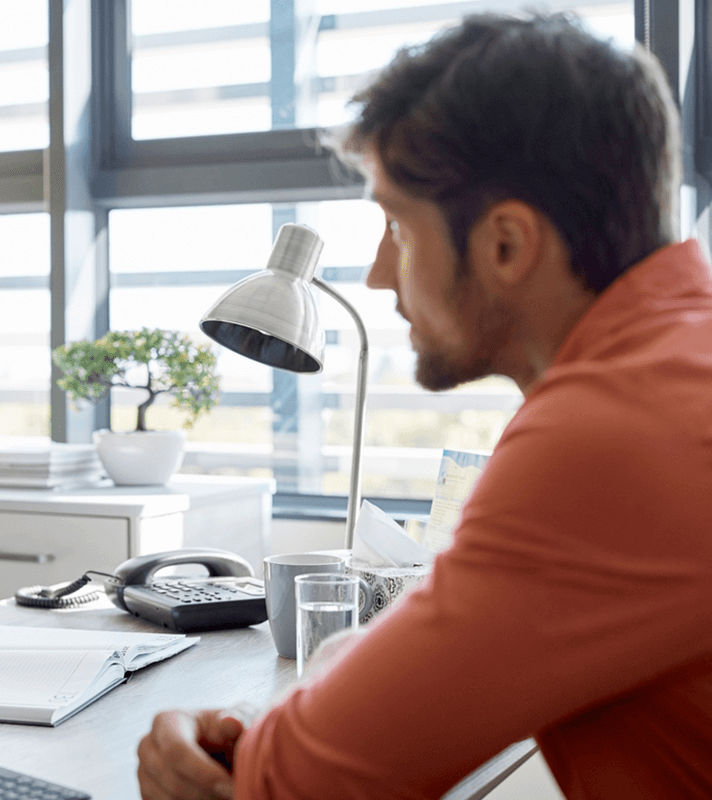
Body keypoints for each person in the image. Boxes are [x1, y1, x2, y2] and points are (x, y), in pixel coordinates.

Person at [138, 12, 712, 799]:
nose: (378, 275)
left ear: (507, 245)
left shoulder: (610, 432)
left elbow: (299, 782)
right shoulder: (679, 365)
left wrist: (202, 743)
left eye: (397, 226)